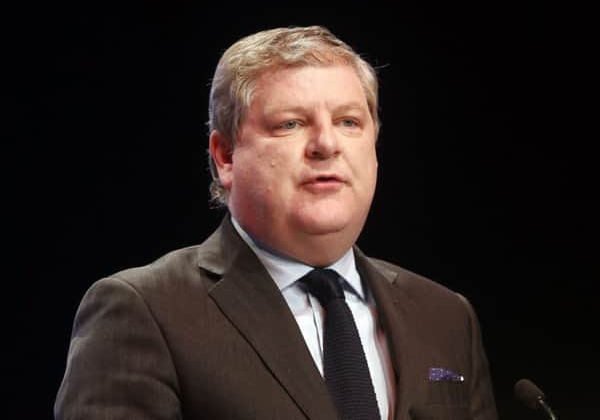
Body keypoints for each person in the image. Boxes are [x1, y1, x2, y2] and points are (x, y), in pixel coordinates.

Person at [55, 25, 498, 419]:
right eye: (290, 123)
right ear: (226, 156)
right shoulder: (145, 312)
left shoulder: (445, 316)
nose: (326, 144)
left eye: (348, 121)